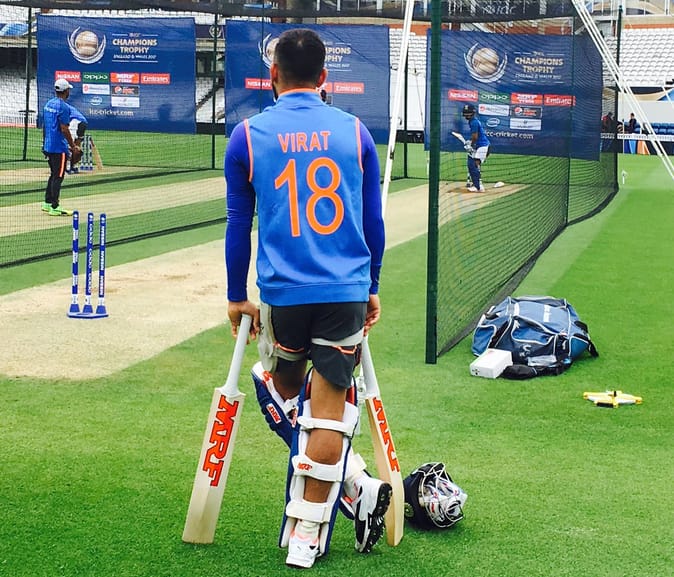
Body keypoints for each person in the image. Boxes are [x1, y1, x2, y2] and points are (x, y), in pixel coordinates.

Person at [224, 28, 388, 569]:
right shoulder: (356, 133)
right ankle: (315, 529)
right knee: (326, 410)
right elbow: (372, 221)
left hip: (283, 295)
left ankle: (332, 499)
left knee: (286, 389)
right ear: (324, 77)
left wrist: (236, 296)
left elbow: (238, 224)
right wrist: (372, 286)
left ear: (273, 75)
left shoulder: (247, 137)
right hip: (344, 291)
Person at [41, 78, 79, 215]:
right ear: (66, 91)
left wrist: (44, 143)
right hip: (58, 147)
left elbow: (45, 126)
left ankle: (47, 203)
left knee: (53, 174)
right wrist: (73, 146)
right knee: (58, 176)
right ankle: (55, 206)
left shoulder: (48, 104)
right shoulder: (64, 107)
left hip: (48, 145)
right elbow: (64, 128)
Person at [461, 104, 490, 192]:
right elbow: (474, 137)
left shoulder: (474, 122)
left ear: (473, 113)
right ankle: (477, 185)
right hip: (479, 146)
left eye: (468, 113)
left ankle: (478, 187)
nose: (467, 115)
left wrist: (470, 144)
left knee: (474, 165)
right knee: (471, 164)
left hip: (482, 146)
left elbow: (475, 137)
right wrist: (470, 142)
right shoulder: (473, 121)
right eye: (465, 113)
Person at [67, 104, 88, 173]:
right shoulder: (68, 107)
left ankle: (68, 167)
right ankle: (74, 166)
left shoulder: (60, 107)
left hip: (75, 122)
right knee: (77, 145)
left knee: (70, 145)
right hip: (83, 122)